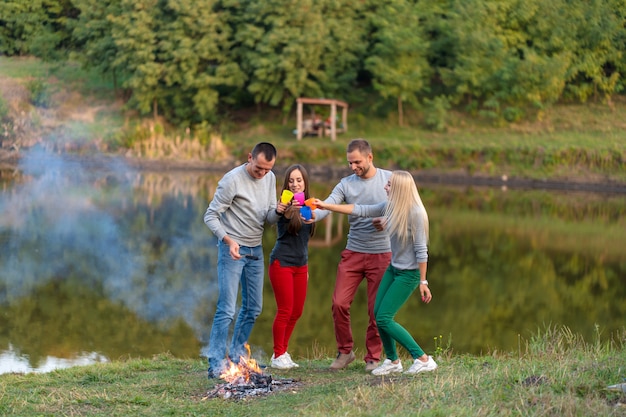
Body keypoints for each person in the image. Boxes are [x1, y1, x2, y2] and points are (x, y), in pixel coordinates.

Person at [314, 170, 438, 376]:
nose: (385, 187)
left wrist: (423, 281)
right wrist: (326, 206)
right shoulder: (391, 207)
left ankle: (423, 359)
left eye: (389, 185)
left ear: (399, 188)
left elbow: (421, 251)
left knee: (384, 318)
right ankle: (392, 360)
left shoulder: (416, 212)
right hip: (393, 268)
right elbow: (361, 210)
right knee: (377, 313)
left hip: (409, 274)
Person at [203, 142, 287, 379]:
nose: (262, 173)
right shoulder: (232, 180)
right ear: (249, 157)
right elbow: (210, 216)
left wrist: (279, 211)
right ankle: (216, 363)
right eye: (258, 168)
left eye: (267, 170)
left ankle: (238, 355)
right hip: (232, 250)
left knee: (253, 308)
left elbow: (268, 218)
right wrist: (228, 241)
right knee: (227, 309)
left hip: (255, 250)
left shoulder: (270, 178)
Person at [314, 139, 392, 372]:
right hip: (354, 251)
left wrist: (388, 221)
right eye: (349, 162)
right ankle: (345, 352)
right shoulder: (346, 184)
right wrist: (310, 217)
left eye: (357, 162)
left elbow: (404, 209)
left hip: (382, 253)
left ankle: (373, 357)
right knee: (339, 302)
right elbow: (328, 205)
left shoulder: (389, 180)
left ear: (370, 157)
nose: (352, 167)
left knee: (375, 309)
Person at [268, 164, 316, 369]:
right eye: (291, 180)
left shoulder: (308, 207)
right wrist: (283, 208)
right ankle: (278, 354)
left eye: (299, 180)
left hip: (301, 265)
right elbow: (280, 214)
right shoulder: (284, 208)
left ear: (305, 182)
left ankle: (282, 352)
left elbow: (305, 240)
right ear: (286, 183)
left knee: (297, 312)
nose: (295, 184)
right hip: (282, 263)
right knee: (285, 311)